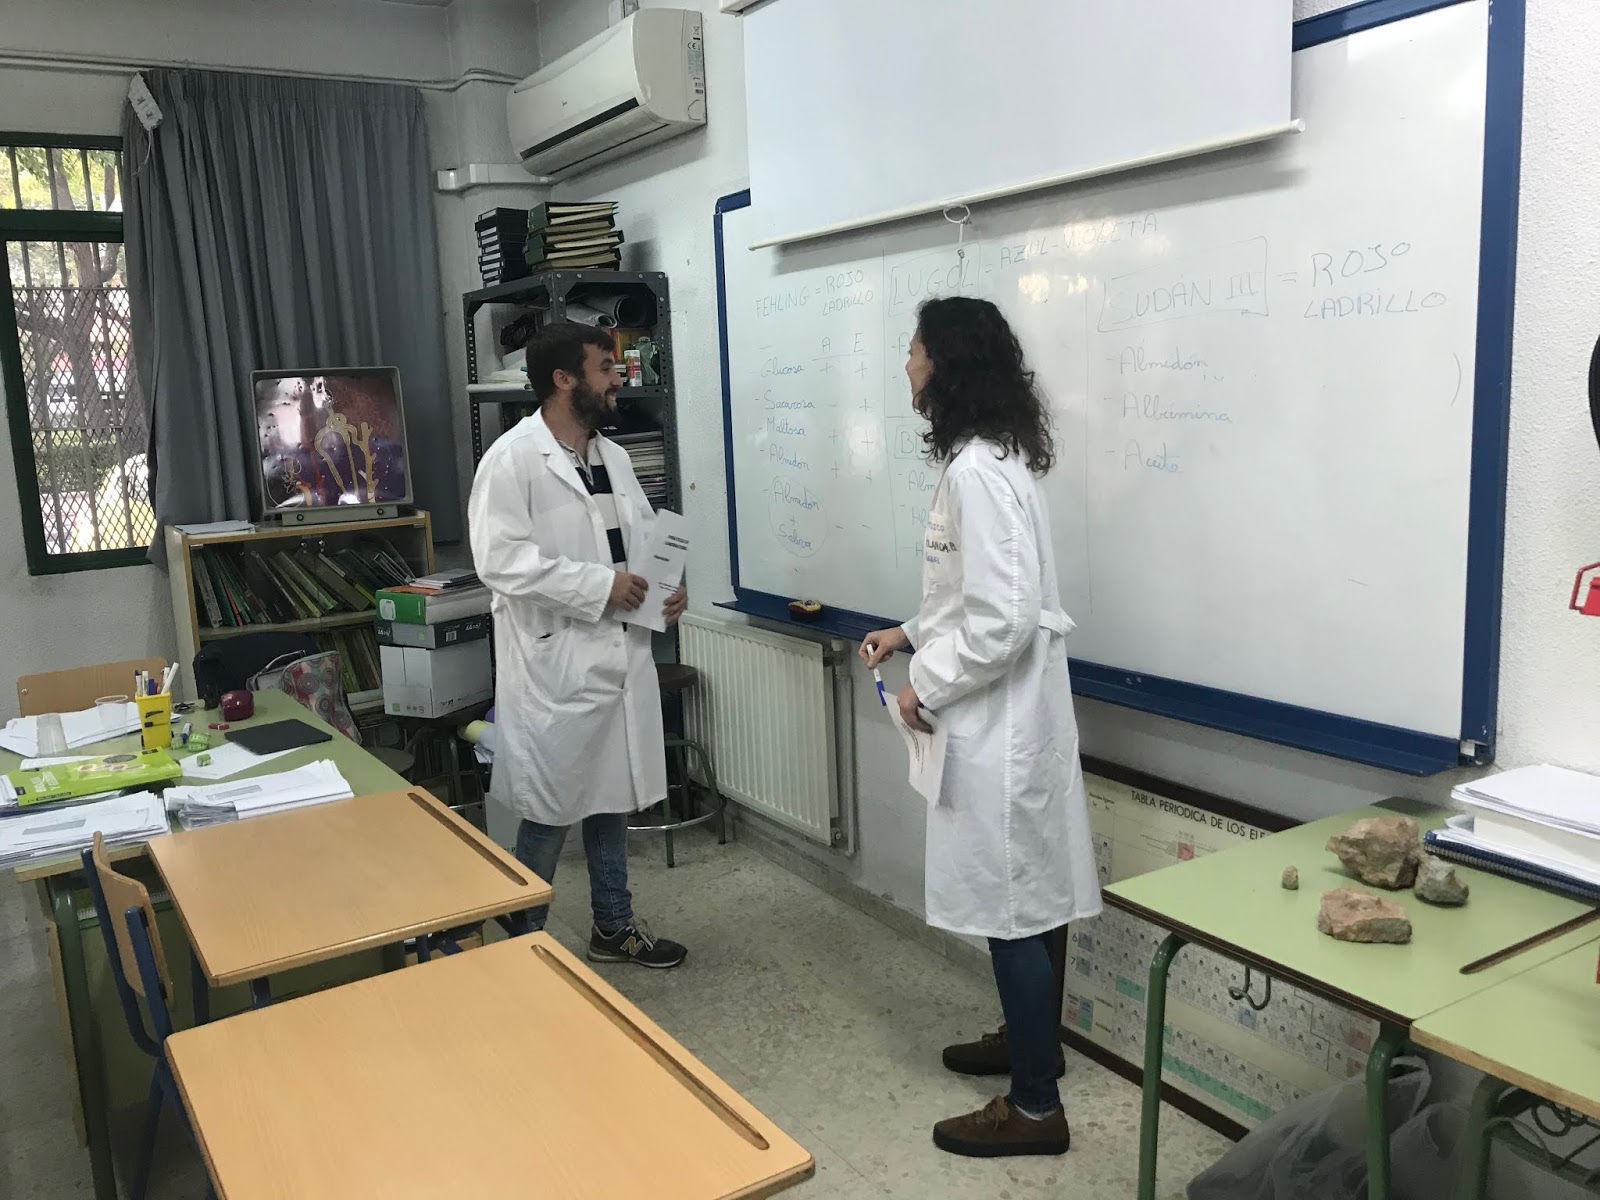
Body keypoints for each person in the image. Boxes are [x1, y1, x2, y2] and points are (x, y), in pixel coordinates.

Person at [861, 296, 1101, 1158]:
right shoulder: (993, 457)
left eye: (915, 349)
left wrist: (922, 686)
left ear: (947, 363)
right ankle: (1030, 1044)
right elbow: (970, 594)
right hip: (1012, 717)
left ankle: (1035, 1108)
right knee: (1027, 896)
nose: (907, 364)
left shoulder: (976, 471)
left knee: (1011, 909)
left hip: (999, 723)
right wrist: (909, 631)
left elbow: (1001, 621)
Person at [469, 320, 688, 969]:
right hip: (557, 664)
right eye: (605, 368)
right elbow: (500, 562)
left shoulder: (611, 456)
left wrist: (665, 591)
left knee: (609, 795)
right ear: (564, 379)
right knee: (551, 810)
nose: (617, 378)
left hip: (618, 652)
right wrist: (600, 586)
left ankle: (612, 928)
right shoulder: (512, 460)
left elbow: (639, 545)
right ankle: (518, 945)